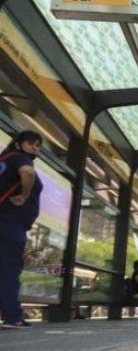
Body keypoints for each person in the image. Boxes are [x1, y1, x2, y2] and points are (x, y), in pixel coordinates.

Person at [0, 130, 43, 329]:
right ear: (18, 144)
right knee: (9, 270)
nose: (36, 148)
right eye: (32, 143)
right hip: (10, 224)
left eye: (38, 145)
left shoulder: (4, 161)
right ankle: (12, 317)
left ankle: (12, 314)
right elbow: (28, 172)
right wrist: (25, 195)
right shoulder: (20, 159)